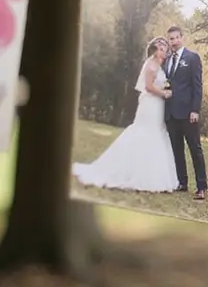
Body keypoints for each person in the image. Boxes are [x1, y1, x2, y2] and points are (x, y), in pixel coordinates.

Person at [72, 37, 180, 193]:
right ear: (155, 49)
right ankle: (134, 173)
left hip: (157, 106)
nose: (164, 47)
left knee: (157, 133)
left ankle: (153, 173)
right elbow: (148, 87)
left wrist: (165, 90)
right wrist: (164, 93)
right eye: (161, 45)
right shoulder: (151, 64)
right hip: (150, 104)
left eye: (165, 46)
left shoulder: (161, 65)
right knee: (144, 133)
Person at [163, 26, 208, 201]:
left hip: (188, 113)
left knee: (195, 149)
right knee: (177, 149)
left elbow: (197, 86)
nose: (173, 41)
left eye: (176, 38)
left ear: (182, 38)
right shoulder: (166, 60)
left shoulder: (192, 58)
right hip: (171, 114)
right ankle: (182, 182)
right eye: (171, 39)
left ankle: (202, 186)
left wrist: (195, 110)